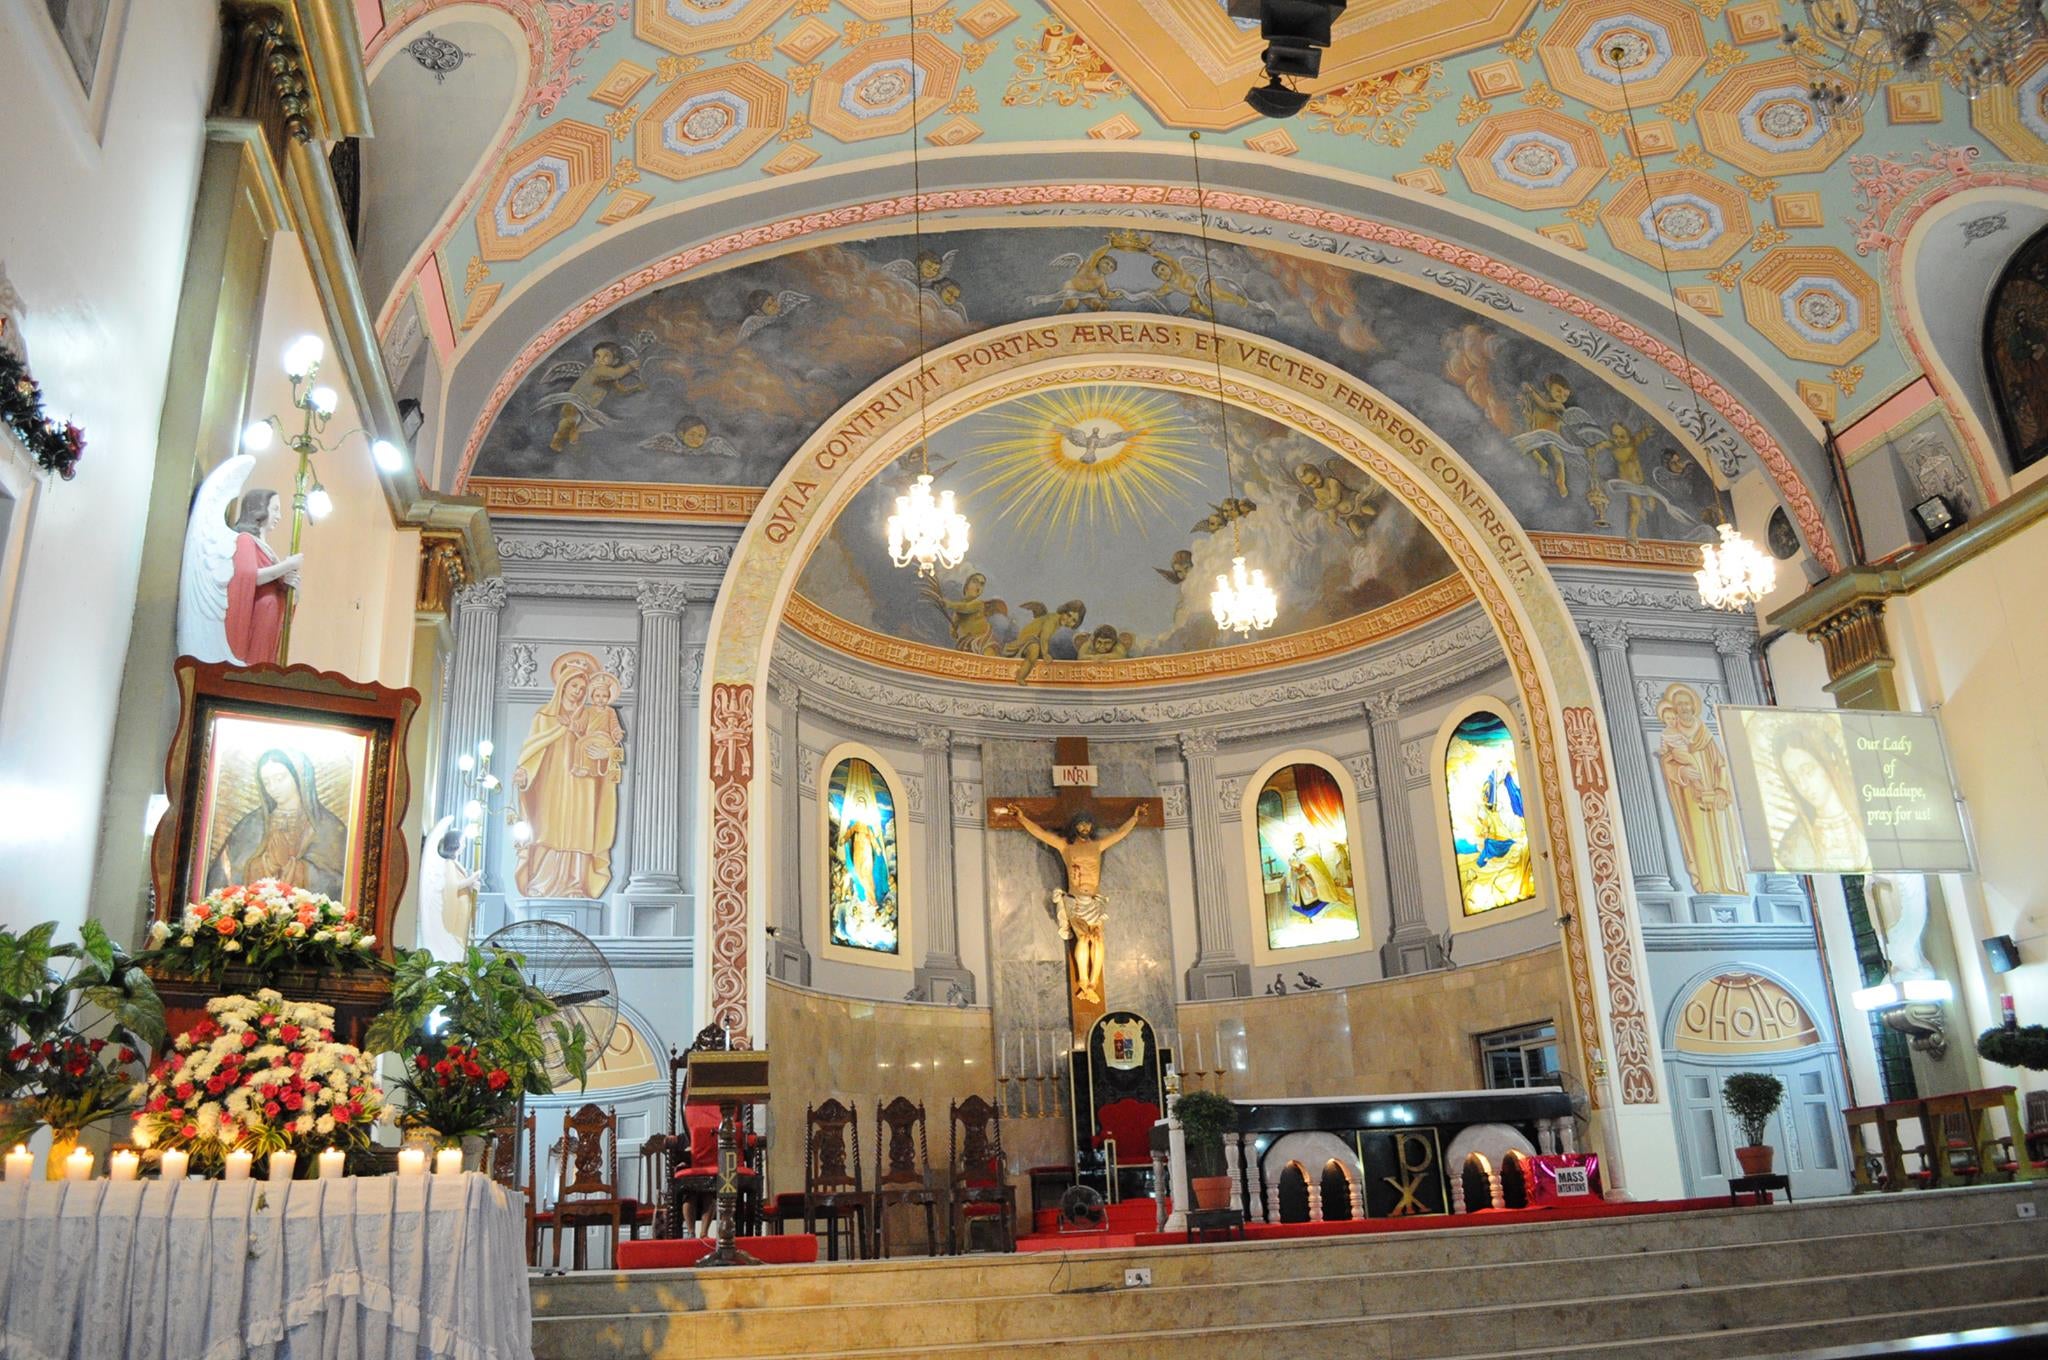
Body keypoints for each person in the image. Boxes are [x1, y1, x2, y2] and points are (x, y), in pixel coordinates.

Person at [1002, 803, 1147, 1005]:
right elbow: (1042, 834)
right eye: (1081, 824)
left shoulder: (1098, 846)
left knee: (1097, 939)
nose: (1085, 827)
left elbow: (1120, 833)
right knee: (1083, 937)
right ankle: (1083, 979)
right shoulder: (1066, 847)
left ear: (1092, 826)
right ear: (1075, 827)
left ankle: (1093, 983)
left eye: (1088, 824)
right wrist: (1021, 817)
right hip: (1076, 900)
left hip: (1094, 900)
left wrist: (1135, 817)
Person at [513, 653, 622, 898]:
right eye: (574, 685)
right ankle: (540, 883)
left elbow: (610, 747)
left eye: (583, 688)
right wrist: (524, 773)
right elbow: (531, 751)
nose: (578, 692)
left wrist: (605, 752)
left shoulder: (590, 716)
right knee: (547, 828)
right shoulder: (544, 716)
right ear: (563, 684)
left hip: (583, 784)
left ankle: (576, 884)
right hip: (550, 784)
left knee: (581, 831)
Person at [208, 747, 348, 899]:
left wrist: (292, 865)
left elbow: (338, 883)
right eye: (267, 782)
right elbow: (226, 874)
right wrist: (264, 865)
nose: (273, 788)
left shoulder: (328, 826)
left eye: (280, 778)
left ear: (298, 777)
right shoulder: (251, 825)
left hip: (307, 918)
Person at [1656, 684, 1747, 895]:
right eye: (1680, 704)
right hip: (1691, 796)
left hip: (1715, 795)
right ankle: (1709, 886)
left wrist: (1722, 790)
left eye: (1687, 703)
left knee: (1724, 837)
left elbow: (1721, 763)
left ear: (1694, 706)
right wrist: (1682, 774)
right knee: (1700, 838)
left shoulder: (1704, 732)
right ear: (1674, 708)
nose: (1684, 707)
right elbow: (1667, 763)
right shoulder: (1671, 734)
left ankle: (1730, 884)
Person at [1769, 724, 1869, 872]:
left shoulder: (1871, 814)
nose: (1803, 786)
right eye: (1794, 779)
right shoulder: (1794, 844)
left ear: (1830, 761)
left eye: (1807, 771)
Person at [224, 489, 301, 666]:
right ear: (259, 508)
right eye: (275, 509)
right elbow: (248, 577)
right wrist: (287, 566)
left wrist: (293, 588)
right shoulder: (245, 540)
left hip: (269, 619)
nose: (279, 516)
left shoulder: (267, 550)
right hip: (257, 617)